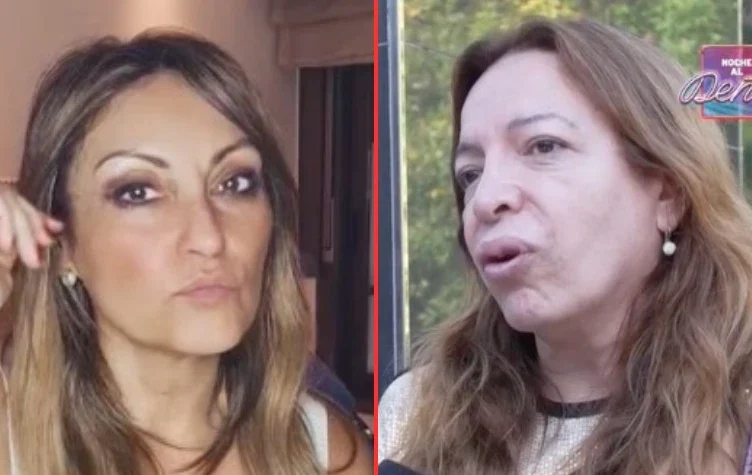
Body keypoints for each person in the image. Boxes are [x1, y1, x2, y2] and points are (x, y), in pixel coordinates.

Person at [379, 17, 752, 475]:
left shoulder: (739, 413)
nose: (486, 199)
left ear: (668, 194)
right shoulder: (414, 410)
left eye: (544, 147)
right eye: (470, 173)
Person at [0, 30, 372, 474]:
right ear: (62, 246)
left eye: (234, 183)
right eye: (138, 192)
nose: (210, 237)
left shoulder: (323, 452)